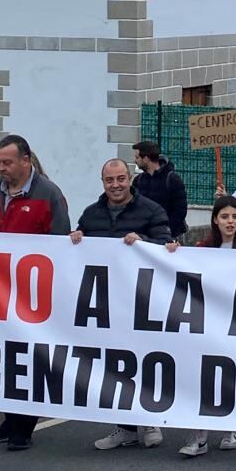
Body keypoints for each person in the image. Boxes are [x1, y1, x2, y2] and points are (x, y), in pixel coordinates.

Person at [0, 134, 71, 450]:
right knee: (4, 354)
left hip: (33, 293)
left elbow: (60, 242)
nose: (2, 168)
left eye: (8, 162)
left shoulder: (49, 194)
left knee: (28, 357)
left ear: (26, 160)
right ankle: (11, 415)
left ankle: (24, 423)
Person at [80, 158, 173, 452]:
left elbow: (165, 244)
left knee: (141, 360)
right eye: (110, 180)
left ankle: (148, 418)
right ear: (102, 182)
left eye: (121, 179)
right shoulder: (91, 214)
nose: (116, 185)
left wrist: (143, 240)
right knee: (114, 365)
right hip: (106, 303)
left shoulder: (151, 210)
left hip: (142, 301)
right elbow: (77, 250)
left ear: (130, 178)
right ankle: (125, 426)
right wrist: (75, 239)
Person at [168, 196, 236, 457]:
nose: (230, 222)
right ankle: (199, 435)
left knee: (230, 374)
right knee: (203, 375)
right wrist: (173, 253)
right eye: (225, 217)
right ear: (215, 219)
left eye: (235, 217)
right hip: (208, 322)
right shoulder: (202, 246)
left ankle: (231, 426)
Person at [132, 140, 189, 238]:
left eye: (137, 157)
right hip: (145, 235)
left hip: (168, 237)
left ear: (145, 158)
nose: (135, 161)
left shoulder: (172, 179)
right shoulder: (138, 181)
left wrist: (168, 232)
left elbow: (180, 210)